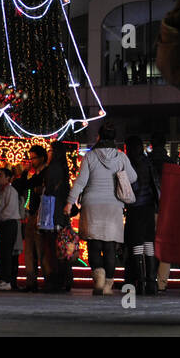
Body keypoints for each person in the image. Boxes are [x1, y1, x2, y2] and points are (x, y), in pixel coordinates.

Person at [65, 123, 136, 296]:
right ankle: (107, 286)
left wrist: (70, 201)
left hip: (92, 205)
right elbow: (133, 177)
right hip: (114, 206)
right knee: (110, 247)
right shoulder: (121, 157)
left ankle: (99, 278)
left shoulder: (90, 157)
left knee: (94, 245)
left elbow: (81, 182)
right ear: (114, 138)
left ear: (99, 137)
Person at [124, 135, 161, 295]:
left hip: (136, 207)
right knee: (148, 242)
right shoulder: (148, 162)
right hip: (149, 206)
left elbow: (132, 185)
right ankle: (152, 282)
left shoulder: (131, 163)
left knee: (137, 243)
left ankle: (140, 282)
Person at [12, 145, 49, 291]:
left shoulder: (45, 173)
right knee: (29, 250)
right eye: (30, 158)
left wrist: (26, 173)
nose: (31, 161)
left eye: (33, 158)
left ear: (42, 158)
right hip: (32, 214)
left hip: (42, 215)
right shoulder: (37, 174)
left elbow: (24, 185)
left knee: (41, 250)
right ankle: (31, 281)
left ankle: (47, 280)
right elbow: (22, 186)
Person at [41, 142, 75, 291]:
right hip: (61, 213)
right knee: (62, 247)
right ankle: (66, 279)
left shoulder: (52, 169)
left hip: (52, 213)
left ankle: (55, 280)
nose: (48, 153)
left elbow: (49, 190)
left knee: (53, 248)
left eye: (50, 150)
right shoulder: (63, 168)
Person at [149, 133, 173, 292]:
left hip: (149, 208)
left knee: (149, 245)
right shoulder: (171, 163)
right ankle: (161, 282)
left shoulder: (147, 162)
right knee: (164, 247)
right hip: (167, 209)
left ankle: (149, 278)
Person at [0, 168, 22, 291]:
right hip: (2, 224)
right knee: (2, 252)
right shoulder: (0, 192)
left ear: (8, 178)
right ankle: (1, 279)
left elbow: (9, 210)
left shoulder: (11, 191)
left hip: (9, 223)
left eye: (1, 175)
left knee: (6, 253)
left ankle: (6, 280)